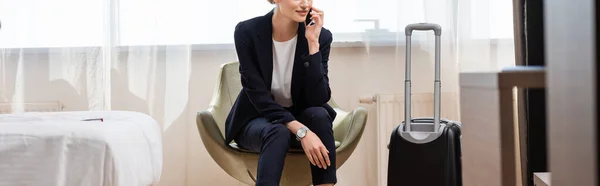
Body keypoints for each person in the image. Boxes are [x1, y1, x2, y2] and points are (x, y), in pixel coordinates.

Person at [224, 0, 336, 185]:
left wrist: (313, 44)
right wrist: (301, 131)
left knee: (320, 115)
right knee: (277, 132)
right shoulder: (247, 32)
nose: (305, 4)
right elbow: (256, 93)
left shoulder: (320, 36)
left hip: (300, 117)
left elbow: (319, 98)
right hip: (257, 120)